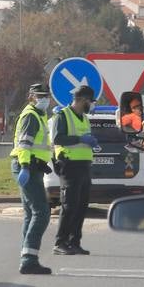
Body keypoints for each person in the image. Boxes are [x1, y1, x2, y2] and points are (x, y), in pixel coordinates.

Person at [10, 82, 55, 275]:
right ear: (31, 97)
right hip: (25, 166)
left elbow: (37, 146)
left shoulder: (39, 115)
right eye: (40, 96)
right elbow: (25, 145)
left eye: (46, 96)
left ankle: (27, 257)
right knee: (41, 213)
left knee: (31, 214)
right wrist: (26, 167)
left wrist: (42, 163)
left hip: (31, 166)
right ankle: (29, 259)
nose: (44, 99)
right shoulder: (31, 116)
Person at [50, 84, 98, 255]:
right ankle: (60, 242)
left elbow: (84, 140)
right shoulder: (62, 115)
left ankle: (74, 242)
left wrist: (91, 142)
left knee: (81, 206)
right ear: (83, 100)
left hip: (84, 166)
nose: (91, 105)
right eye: (90, 102)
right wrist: (80, 139)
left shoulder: (84, 118)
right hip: (69, 166)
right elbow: (57, 138)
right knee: (69, 205)